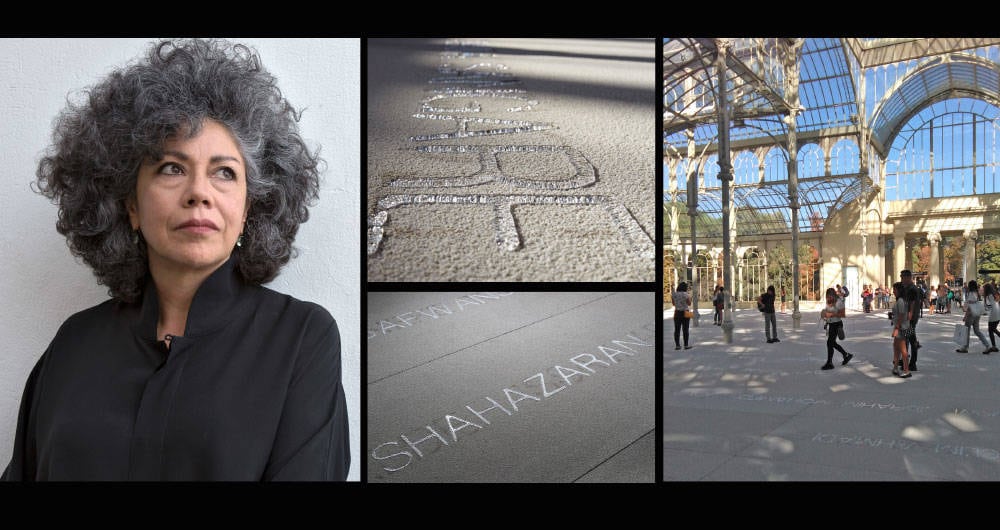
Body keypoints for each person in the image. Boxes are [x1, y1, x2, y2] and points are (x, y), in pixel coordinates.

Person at [2, 39, 350, 481]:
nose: (199, 192)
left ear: (247, 211)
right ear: (129, 202)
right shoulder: (73, 344)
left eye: (225, 172)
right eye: (171, 167)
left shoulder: (300, 340)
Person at [820, 287, 852, 370]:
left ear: (833, 294)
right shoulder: (829, 302)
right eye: (827, 296)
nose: (828, 297)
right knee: (831, 343)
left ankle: (830, 363)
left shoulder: (839, 302)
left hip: (837, 324)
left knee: (830, 343)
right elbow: (827, 312)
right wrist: (824, 316)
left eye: (829, 296)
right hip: (831, 324)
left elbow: (842, 314)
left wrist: (831, 314)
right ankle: (846, 355)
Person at [956, 280, 991, 354]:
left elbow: (970, 307)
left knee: (966, 331)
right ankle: (987, 345)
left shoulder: (971, 294)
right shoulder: (977, 293)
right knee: (977, 331)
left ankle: (965, 347)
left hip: (971, 314)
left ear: (970, 286)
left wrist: (965, 316)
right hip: (977, 314)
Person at [899, 270, 922, 371]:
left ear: (908, 277)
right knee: (910, 339)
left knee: (909, 340)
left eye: (902, 277)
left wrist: (909, 317)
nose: (901, 279)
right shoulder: (907, 288)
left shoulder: (912, 289)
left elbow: (912, 305)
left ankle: (911, 362)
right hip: (908, 318)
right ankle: (907, 360)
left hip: (910, 319)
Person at [890, 282, 912, 378]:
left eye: (894, 290)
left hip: (901, 328)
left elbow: (902, 315)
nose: (893, 291)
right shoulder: (901, 300)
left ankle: (906, 370)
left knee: (903, 349)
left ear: (899, 290)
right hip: (901, 326)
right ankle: (896, 367)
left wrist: (897, 327)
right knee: (896, 347)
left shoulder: (900, 301)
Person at [672, 282, 693, 350]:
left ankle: (677, 345)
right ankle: (686, 345)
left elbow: (673, 304)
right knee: (685, 329)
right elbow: (689, 303)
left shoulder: (674, 294)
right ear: (685, 288)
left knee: (677, 330)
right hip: (685, 312)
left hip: (677, 313)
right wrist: (690, 298)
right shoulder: (686, 294)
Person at [984, 283, 1000, 354]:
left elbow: (989, 306)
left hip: (993, 313)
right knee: (993, 329)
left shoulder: (989, 295)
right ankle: (994, 346)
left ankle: (994, 346)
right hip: (997, 312)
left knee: (991, 330)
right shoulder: (994, 294)